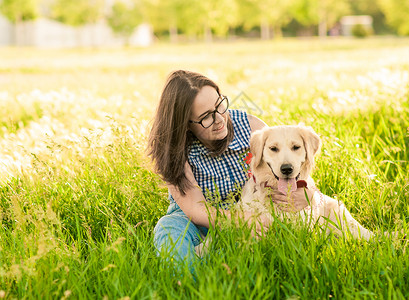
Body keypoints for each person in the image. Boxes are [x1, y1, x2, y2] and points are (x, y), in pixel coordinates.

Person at [147, 70, 313, 269]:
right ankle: (188, 283)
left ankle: (221, 271)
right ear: (186, 125)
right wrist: (240, 221)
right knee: (168, 229)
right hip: (196, 221)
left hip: (251, 210)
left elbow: (292, 171)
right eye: (206, 117)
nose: (219, 119)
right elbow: (195, 208)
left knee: (245, 248)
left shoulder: (252, 128)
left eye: (219, 105)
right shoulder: (174, 148)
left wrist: (307, 195)